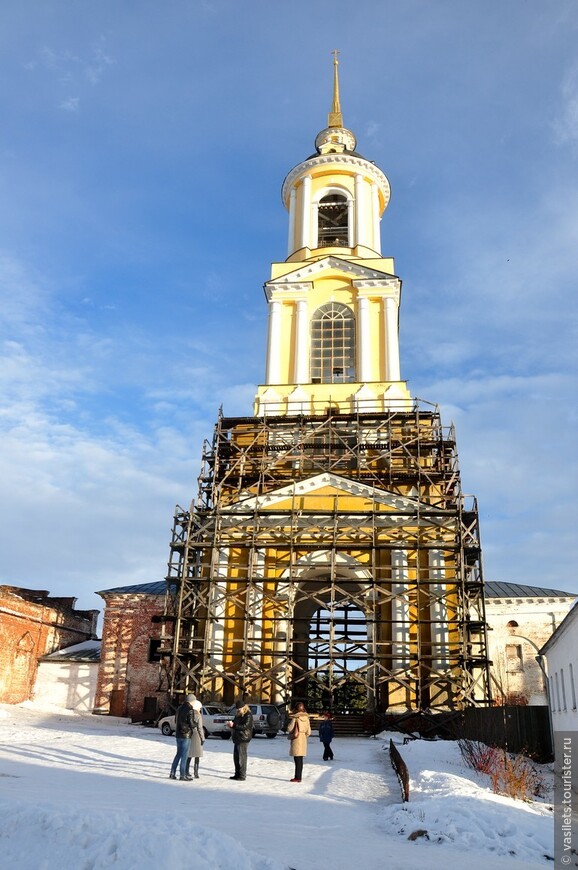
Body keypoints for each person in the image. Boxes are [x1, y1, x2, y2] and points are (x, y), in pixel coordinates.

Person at [170, 693, 198, 781]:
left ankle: (172, 773)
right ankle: (182, 775)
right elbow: (191, 723)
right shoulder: (190, 710)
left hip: (178, 734)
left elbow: (176, 720)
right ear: (192, 701)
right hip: (186, 735)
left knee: (178, 754)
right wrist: (196, 723)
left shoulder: (179, 708)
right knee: (184, 755)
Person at [228, 699, 254, 781]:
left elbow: (244, 726)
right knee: (236, 757)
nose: (238, 710)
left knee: (242, 757)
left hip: (243, 738)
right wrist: (231, 724)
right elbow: (236, 724)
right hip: (237, 737)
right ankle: (237, 773)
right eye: (237, 709)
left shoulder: (248, 715)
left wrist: (234, 725)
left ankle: (242, 775)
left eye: (239, 709)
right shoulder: (238, 714)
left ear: (244, 707)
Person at [287, 701, 311, 782]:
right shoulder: (307, 718)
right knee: (300, 759)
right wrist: (303, 735)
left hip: (296, 738)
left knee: (297, 759)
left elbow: (290, 728)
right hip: (303, 738)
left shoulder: (296, 717)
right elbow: (309, 732)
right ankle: (299, 776)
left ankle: (297, 777)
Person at [186, 699, 205, 779]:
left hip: (190, 734)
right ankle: (196, 772)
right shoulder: (198, 716)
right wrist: (202, 738)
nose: (200, 709)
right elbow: (200, 728)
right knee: (197, 755)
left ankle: (186, 770)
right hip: (197, 735)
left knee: (189, 754)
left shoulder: (189, 713)